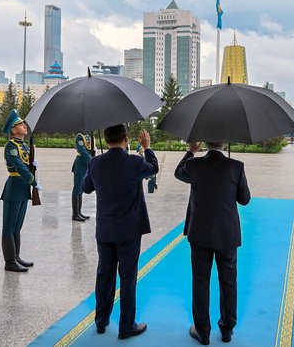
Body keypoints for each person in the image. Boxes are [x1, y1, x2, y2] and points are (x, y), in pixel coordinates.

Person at [82, 125, 158, 339]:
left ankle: (101, 321)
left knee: (104, 276)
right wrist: (147, 147)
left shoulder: (95, 163)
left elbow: (86, 188)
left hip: (105, 230)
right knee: (127, 278)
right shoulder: (134, 162)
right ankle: (126, 326)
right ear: (126, 139)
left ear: (106, 140)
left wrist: (93, 165)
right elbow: (153, 168)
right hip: (129, 230)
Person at [174, 141, 251, 345]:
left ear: (205, 144)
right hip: (227, 234)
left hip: (200, 233)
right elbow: (245, 199)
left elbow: (177, 173)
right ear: (224, 143)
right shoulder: (236, 166)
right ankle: (227, 329)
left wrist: (190, 151)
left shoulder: (194, 165)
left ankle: (202, 331)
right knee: (229, 281)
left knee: (200, 282)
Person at [0, 109, 41, 273]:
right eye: (20, 124)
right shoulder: (10, 146)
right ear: (13, 130)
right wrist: (33, 180)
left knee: (17, 226)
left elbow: (28, 165)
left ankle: (16, 257)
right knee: (9, 227)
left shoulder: (23, 145)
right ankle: (9, 261)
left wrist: (34, 167)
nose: (24, 126)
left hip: (23, 188)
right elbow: (19, 166)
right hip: (14, 187)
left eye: (23, 124)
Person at [71, 133, 95, 222]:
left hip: (85, 165)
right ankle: (75, 214)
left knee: (81, 189)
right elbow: (82, 150)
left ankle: (79, 212)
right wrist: (91, 160)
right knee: (77, 189)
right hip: (80, 164)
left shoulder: (88, 136)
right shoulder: (79, 137)